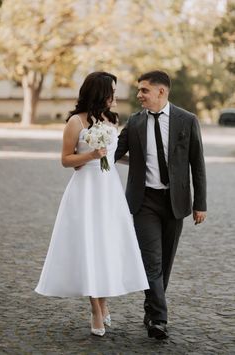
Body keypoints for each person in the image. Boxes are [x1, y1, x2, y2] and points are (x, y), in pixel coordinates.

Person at [35, 71, 149, 337]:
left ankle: (104, 302)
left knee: (106, 245)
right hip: (86, 191)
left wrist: (140, 162)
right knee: (89, 245)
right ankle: (96, 310)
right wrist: (90, 155)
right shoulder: (75, 122)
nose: (116, 95)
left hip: (109, 190)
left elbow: (112, 155)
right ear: (100, 93)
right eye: (112, 90)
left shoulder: (111, 120)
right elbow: (65, 160)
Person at [115, 70, 207, 340]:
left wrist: (200, 203)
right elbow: (114, 153)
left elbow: (197, 165)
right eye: (139, 90)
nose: (139, 95)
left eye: (144, 90)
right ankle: (159, 320)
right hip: (144, 201)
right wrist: (85, 153)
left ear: (161, 92)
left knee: (165, 263)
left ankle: (151, 307)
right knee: (151, 261)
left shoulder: (187, 120)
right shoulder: (134, 122)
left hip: (175, 202)